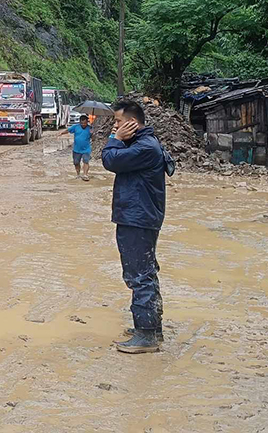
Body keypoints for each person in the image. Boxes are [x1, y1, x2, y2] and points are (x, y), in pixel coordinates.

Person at [102, 100, 167, 354]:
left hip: (137, 219)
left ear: (132, 123)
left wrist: (114, 137)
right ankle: (151, 327)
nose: (114, 126)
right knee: (145, 271)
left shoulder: (145, 148)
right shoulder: (143, 145)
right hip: (138, 217)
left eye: (117, 122)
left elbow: (109, 160)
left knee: (139, 274)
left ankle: (147, 335)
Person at [60, 113, 93, 180]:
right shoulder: (75, 127)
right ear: (80, 122)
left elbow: (94, 138)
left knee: (86, 161)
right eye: (82, 123)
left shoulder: (90, 128)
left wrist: (92, 133)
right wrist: (61, 133)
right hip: (76, 149)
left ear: (87, 122)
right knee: (76, 162)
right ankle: (78, 174)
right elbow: (68, 130)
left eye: (85, 123)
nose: (83, 125)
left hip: (86, 149)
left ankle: (85, 175)